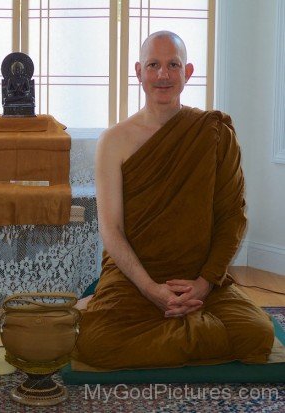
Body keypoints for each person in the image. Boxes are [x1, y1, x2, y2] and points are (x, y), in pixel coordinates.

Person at [74, 31, 274, 369]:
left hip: (198, 277)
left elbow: (232, 217)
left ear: (188, 72)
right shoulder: (115, 140)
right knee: (97, 344)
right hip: (135, 277)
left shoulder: (213, 133)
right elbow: (112, 230)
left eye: (173, 65)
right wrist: (151, 289)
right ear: (139, 72)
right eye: (153, 65)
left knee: (258, 334)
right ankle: (190, 329)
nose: (163, 75)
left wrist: (205, 284)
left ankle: (169, 324)